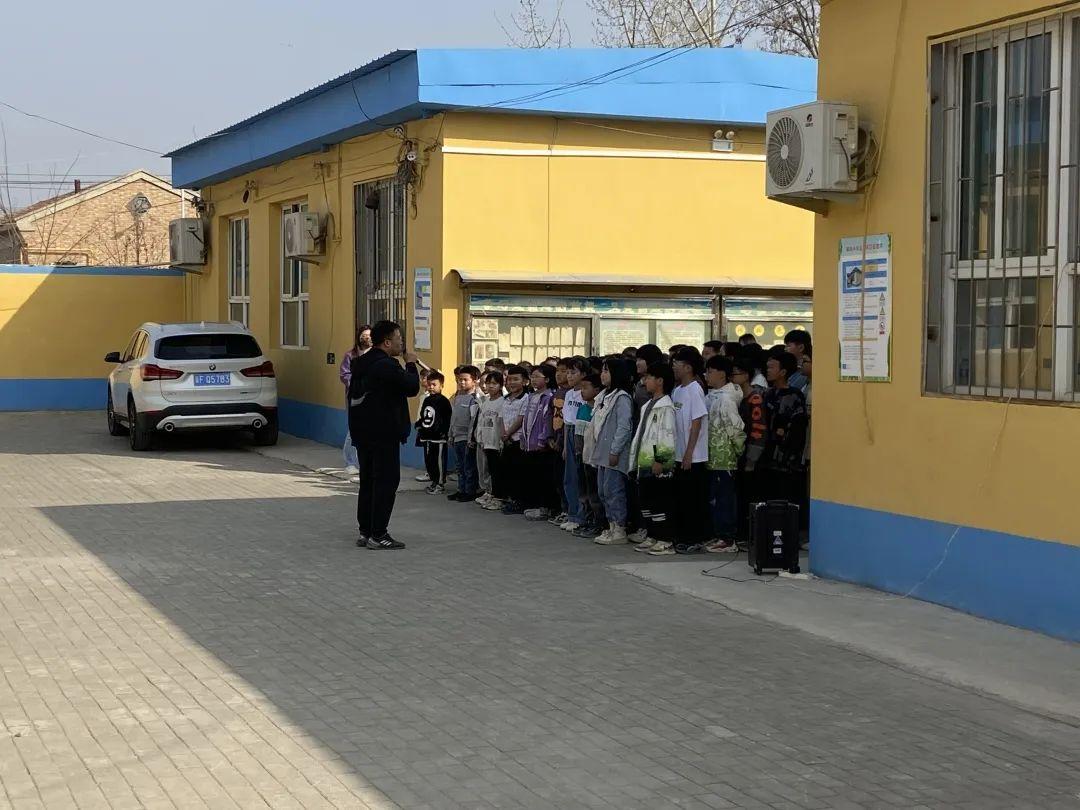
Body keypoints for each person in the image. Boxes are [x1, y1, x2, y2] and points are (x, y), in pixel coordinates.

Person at [348, 320, 420, 550]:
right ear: (387, 342)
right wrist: (410, 364)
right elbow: (411, 387)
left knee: (369, 481)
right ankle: (379, 534)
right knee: (386, 482)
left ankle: (366, 531)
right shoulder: (386, 365)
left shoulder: (361, 362)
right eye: (399, 338)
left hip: (363, 432)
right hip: (383, 433)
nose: (402, 343)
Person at [655, 346, 710, 555]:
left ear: (688, 367)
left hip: (693, 457)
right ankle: (682, 536)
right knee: (680, 499)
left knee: (692, 500)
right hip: (678, 455)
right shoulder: (678, 390)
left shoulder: (695, 389)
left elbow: (696, 423)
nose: (673, 367)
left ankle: (694, 539)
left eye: (677, 363)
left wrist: (689, 453)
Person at [628, 363, 678, 554]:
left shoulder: (666, 407)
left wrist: (661, 460)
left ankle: (665, 539)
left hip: (657, 462)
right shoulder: (648, 405)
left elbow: (667, 434)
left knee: (660, 502)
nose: (645, 381)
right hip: (644, 460)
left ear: (660, 381)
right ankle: (652, 535)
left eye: (649, 377)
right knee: (646, 501)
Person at [590, 357, 635, 545]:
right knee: (603, 491)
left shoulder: (622, 397)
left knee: (613, 490)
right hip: (602, 451)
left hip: (614, 452)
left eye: (606, 371)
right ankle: (611, 525)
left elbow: (624, 426)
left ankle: (619, 528)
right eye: (602, 370)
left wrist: (615, 450)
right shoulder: (604, 396)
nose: (602, 374)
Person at [704, 355, 744, 553]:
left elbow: (735, 428)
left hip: (724, 456)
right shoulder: (712, 396)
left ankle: (728, 539)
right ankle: (719, 534)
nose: (707, 375)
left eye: (710, 372)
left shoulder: (726, 398)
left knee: (724, 499)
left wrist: (737, 451)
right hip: (712, 455)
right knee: (715, 498)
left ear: (721, 374)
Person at [762, 352, 809, 506]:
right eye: (767, 367)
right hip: (768, 456)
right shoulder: (768, 393)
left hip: (786, 460)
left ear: (783, 372)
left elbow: (798, 429)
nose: (768, 370)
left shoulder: (795, 395)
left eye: (772, 367)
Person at [732, 354, 767, 545]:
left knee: (750, 496)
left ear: (746, 375)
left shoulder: (755, 399)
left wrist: (752, 460)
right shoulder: (739, 397)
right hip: (740, 454)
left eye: (736, 374)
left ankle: (750, 535)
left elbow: (758, 430)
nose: (733, 377)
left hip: (750, 457)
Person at [521, 364, 558, 521]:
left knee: (544, 477)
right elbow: (526, 420)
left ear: (547, 379)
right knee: (533, 476)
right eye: (532, 377)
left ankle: (545, 508)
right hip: (529, 443)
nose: (533, 380)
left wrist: (543, 439)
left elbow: (546, 421)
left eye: (537, 377)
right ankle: (535, 504)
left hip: (542, 444)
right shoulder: (531, 396)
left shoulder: (549, 397)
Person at [572, 373, 604, 538]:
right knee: (583, 490)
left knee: (594, 492)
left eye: (586, 388)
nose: (582, 391)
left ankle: (598, 523)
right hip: (581, 455)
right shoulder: (582, 408)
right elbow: (577, 434)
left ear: (597, 390)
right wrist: (577, 451)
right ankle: (586, 519)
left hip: (594, 458)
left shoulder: (599, 410)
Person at [558, 358, 589, 532]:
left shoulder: (585, 394)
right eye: (568, 372)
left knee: (579, 476)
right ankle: (572, 513)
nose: (569, 376)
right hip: (569, 432)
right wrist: (564, 446)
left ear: (583, 374)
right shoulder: (569, 394)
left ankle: (581, 516)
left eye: (573, 372)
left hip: (581, 432)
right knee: (569, 476)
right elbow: (566, 422)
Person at [339, 324, 372, 474]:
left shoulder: (376, 354)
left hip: (372, 398)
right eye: (364, 336)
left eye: (369, 336)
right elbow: (344, 375)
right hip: (355, 397)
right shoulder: (350, 355)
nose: (367, 339)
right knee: (353, 429)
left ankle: (363, 461)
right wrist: (358, 384)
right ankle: (350, 462)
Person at [499, 365, 530, 515]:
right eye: (510, 379)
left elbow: (521, 418)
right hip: (506, 440)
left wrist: (509, 433)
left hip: (518, 440)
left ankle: (520, 501)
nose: (512, 382)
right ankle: (510, 499)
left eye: (516, 379)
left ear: (525, 381)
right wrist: (503, 434)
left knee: (519, 473)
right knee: (507, 471)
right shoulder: (505, 399)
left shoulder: (526, 398)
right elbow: (501, 417)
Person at [447, 365, 481, 502]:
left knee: (469, 467)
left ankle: (469, 491)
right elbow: (453, 417)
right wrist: (450, 434)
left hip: (467, 439)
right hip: (456, 437)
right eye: (460, 380)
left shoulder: (475, 399)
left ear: (474, 381)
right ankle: (461, 490)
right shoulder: (458, 397)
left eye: (465, 380)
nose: (462, 382)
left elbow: (473, 421)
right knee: (459, 466)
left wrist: (470, 438)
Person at [475, 371, 508, 511]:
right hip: (487, 442)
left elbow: (502, 423)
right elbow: (481, 422)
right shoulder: (486, 402)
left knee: (498, 472)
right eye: (488, 383)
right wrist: (480, 438)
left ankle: (499, 498)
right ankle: (492, 494)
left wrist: (501, 442)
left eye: (494, 383)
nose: (490, 386)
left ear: (501, 385)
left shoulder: (503, 402)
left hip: (496, 443)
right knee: (490, 471)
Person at [415, 371, 451, 494]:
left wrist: (444, 432)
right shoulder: (427, 400)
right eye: (429, 384)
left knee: (438, 461)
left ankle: (440, 484)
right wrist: (419, 425)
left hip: (438, 438)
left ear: (441, 385)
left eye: (434, 384)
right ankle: (434, 481)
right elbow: (424, 415)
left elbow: (447, 419)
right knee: (430, 461)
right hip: (427, 436)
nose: (431, 387)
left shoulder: (444, 401)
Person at [549, 359, 572, 526]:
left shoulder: (572, 394)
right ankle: (563, 509)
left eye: (565, 371)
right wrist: (550, 437)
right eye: (558, 370)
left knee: (567, 479)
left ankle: (570, 511)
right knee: (558, 478)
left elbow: (568, 421)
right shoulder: (557, 393)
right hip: (555, 439)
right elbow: (551, 416)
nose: (560, 374)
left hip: (565, 442)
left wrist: (560, 440)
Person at [633, 344, 665, 412]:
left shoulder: (660, 382)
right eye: (637, 360)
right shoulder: (639, 383)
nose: (637, 363)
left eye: (641, 360)